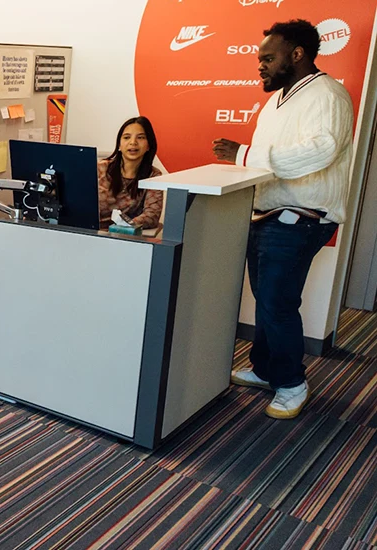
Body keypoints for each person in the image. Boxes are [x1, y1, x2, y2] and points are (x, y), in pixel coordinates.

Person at [213, 20, 353, 419]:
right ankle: (266, 369)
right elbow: (272, 159)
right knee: (267, 300)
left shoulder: (328, 94)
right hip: (269, 214)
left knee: (277, 302)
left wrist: (242, 155)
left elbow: (320, 151)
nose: (259, 66)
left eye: (267, 58)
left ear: (297, 54)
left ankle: (292, 382)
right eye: (259, 59)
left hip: (301, 217)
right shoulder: (278, 99)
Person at [97, 116, 163, 229]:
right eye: (127, 137)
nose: (133, 142)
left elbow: (152, 215)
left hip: (124, 236)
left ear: (148, 145)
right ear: (119, 145)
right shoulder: (100, 168)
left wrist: (124, 226)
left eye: (140, 137)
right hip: (90, 231)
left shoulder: (153, 175)